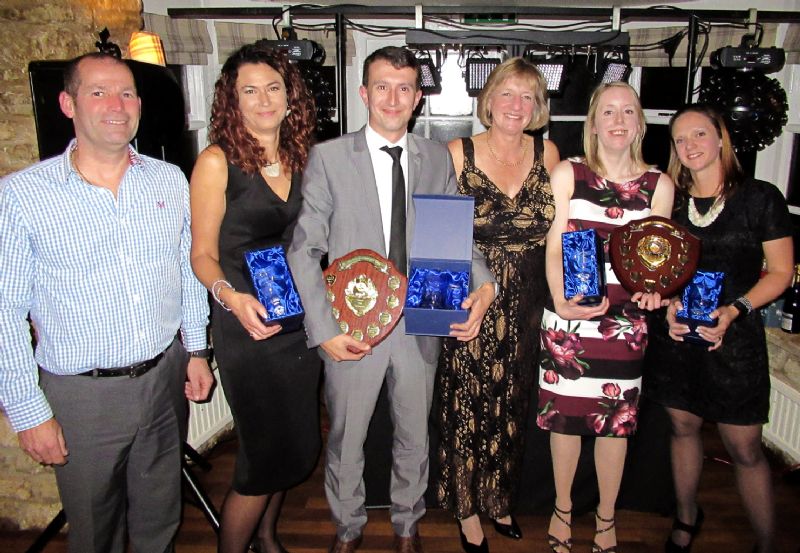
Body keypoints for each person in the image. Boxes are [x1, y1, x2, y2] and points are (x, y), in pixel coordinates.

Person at [0, 52, 213, 553]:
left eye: (127, 93)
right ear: (67, 103)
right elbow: (5, 311)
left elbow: (186, 269)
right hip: (82, 396)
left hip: (164, 379)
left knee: (160, 518)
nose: (117, 105)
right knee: (96, 532)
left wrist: (197, 349)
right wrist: (28, 411)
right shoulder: (21, 196)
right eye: (98, 92)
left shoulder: (168, 180)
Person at [287, 46, 496, 553]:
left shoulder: (432, 157)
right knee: (346, 437)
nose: (393, 97)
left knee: (413, 433)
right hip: (351, 325)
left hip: (421, 318)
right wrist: (325, 329)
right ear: (364, 93)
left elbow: (451, 234)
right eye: (382, 86)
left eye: (405, 88)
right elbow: (304, 247)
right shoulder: (329, 158)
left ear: (418, 98)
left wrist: (483, 282)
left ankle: (406, 523)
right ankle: (348, 524)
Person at [189, 45, 321, 553]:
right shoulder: (216, 161)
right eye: (250, 90)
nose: (263, 99)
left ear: (291, 97)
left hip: (296, 323)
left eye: (273, 87)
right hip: (245, 324)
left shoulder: (304, 157)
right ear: (233, 100)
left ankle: (266, 538)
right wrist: (231, 297)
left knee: (297, 446)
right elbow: (201, 255)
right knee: (261, 457)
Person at [645, 105, 793, 553]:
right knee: (683, 429)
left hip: (734, 339)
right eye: (680, 139)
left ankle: (767, 543)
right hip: (678, 342)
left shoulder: (759, 197)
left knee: (745, 448)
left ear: (722, 139)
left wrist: (734, 310)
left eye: (699, 135)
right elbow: (661, 270)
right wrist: (668, 306)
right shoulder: (670, 201)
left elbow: (781, 272)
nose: (689, 146)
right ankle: (687, 517)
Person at [536, 82, 674, 553]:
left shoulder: (660, 185)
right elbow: (554, 243)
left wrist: (657, 294)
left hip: (625, 326)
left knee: (616, 423)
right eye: (608, 111)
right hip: (569, 323)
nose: (618, 120)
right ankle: (562, 509)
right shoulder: (568, 173)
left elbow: (661, 260)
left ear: (640, 122)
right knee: (565, 422)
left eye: (628, 111)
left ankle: (607, 517)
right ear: (593, 122)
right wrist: (560, 300)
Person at [434, 57, 559, 553]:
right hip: (470, 293)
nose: (517, 106)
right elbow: (441, 235)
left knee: (511, 401)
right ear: (488, 101)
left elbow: (563, 232)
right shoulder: (456, 152)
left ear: (538, 107)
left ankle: (498, 496)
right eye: (507, 94)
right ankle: (465, 506)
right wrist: (446, 308)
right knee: (464, 399)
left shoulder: (548, 153)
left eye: (528, 97)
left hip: (528, 300)